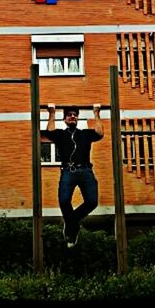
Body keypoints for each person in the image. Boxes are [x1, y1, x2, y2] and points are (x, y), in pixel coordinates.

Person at [44, 103, 104, 248]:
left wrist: (96, 113)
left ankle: (71, 223)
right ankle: (72, 228)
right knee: (64, 201)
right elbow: (49, 132)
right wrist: (52, 113)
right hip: (68, 171)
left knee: (92, 202)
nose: (72, 116)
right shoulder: (61, 134)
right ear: (64, 119)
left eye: (74, 115)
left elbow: (99, 133)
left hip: (85, 171)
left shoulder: (84, 134)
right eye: (69, 115)